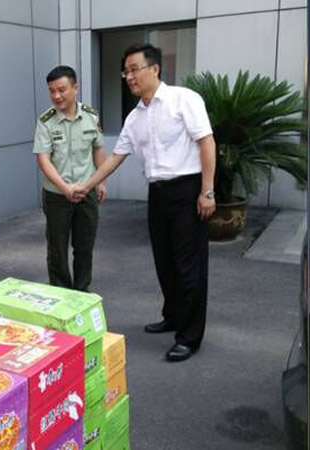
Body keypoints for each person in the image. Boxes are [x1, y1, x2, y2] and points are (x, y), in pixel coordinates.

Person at [74, 44, 216, 361]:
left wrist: (207, 191)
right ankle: (173, 316)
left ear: (155, 68)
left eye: (134, 69)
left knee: (189, 266)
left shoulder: (184, 99)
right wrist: (86, 186)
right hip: (158, 195)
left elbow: (206, 142)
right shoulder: (135, 117)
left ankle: (189, 336)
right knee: (165, 262)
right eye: (125, 71)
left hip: (187, 190)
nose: (129, 77)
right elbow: (115, 158)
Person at [33, 65, 107, 292]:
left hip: (87, 192)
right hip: (57, 195)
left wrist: (101, 181)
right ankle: (61, 293)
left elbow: (98, 150)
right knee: (57, 249)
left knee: (84, 247)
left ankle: (82, 292)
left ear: (75, 88)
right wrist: (65, 188)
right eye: (52, 91)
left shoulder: (91, 116)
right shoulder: (45, 121)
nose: (56, 96)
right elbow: (43, 160)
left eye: (61, 90)